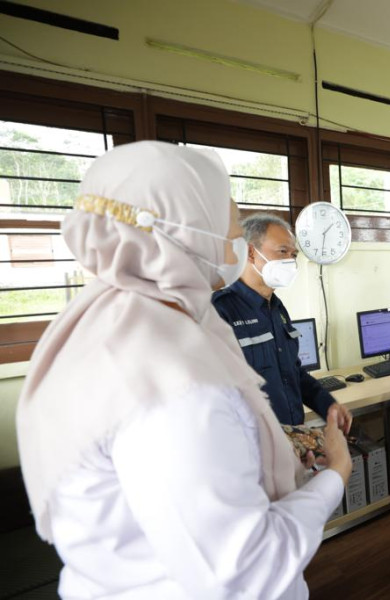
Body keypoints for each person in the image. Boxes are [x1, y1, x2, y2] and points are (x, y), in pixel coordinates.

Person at [16, 141, 352, 599]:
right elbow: (249, 571)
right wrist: (337, 474)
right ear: (188, 227)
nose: (234, 234)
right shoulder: (168, 374)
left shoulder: (120, 322)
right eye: (229, 218)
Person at [212, 213, 352, 431]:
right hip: (253, 446)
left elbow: (293, 373)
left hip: (293, 439)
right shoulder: (220, 311)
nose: (290, 261)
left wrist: (328, 405)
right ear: (250, 252)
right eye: (282, 251)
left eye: (293, 254)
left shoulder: (277, 309)